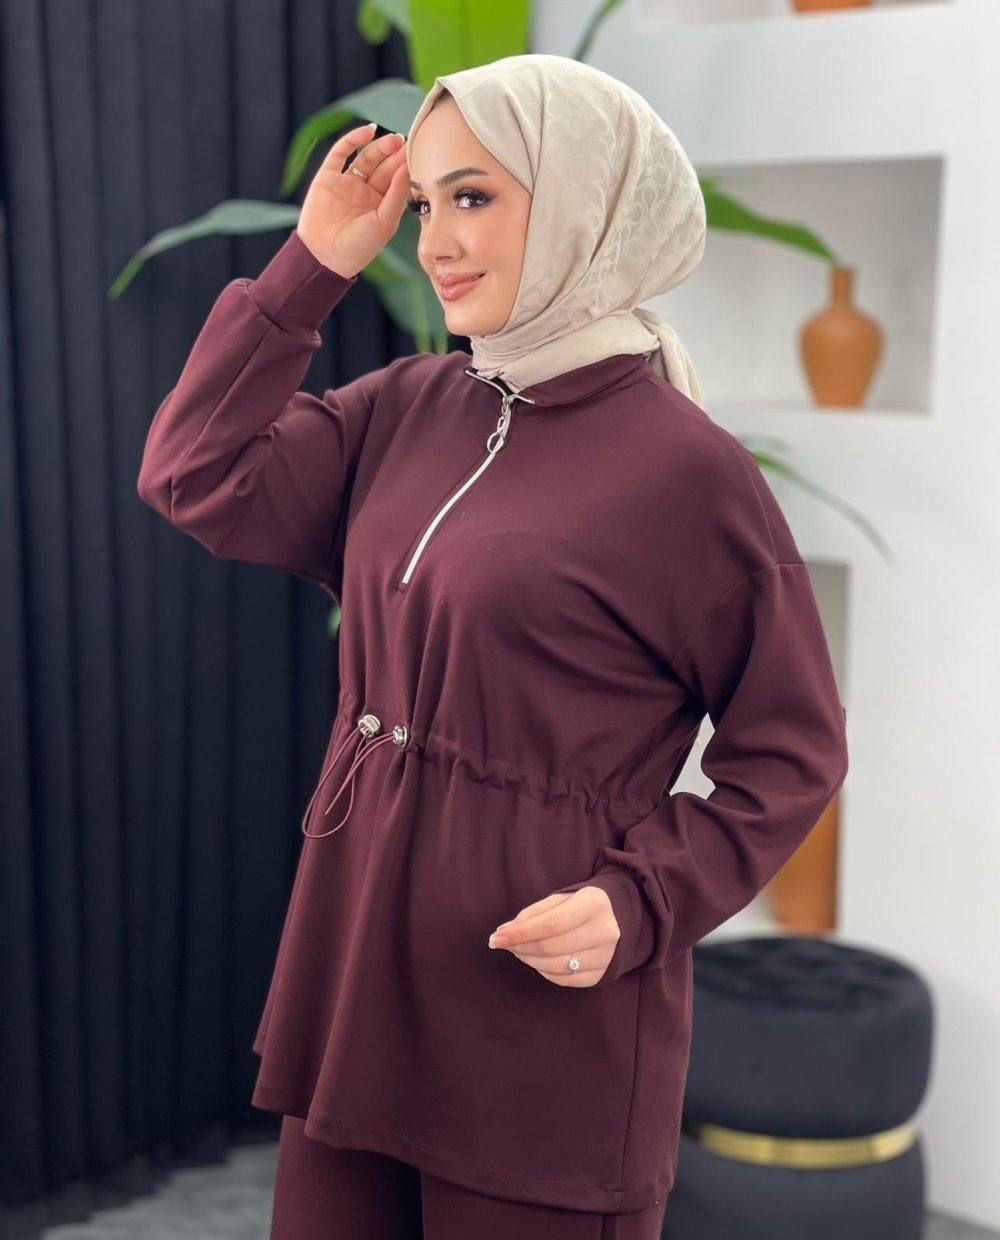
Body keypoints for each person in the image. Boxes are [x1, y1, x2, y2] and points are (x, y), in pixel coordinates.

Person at [137, 52, 848, 1240]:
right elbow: (194, 473)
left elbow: (793, 747)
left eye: (473, 196)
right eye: (425, 205)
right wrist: (311, 267)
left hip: (538, 1013)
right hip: (356, 980)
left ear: (580, 200)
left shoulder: (688, 474)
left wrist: (641, 899)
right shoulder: (410, 405)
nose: (436, 242)